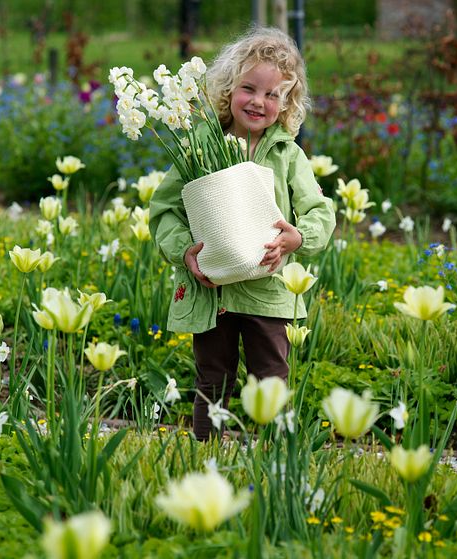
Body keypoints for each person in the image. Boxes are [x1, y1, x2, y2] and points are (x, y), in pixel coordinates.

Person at [149, 26, 336, 440]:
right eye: (249, 88)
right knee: (212, 378)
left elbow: (320, 211)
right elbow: (164, 210)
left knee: (270, 378)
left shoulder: (288, 155)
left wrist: (296, 238)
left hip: (268, 290)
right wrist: (184, 251)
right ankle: (206, 455)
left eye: (273, 95)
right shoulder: (198, 145)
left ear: (287, 103)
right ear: (228, 88)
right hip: (211, 286)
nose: (258, 101)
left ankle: (273, 460)